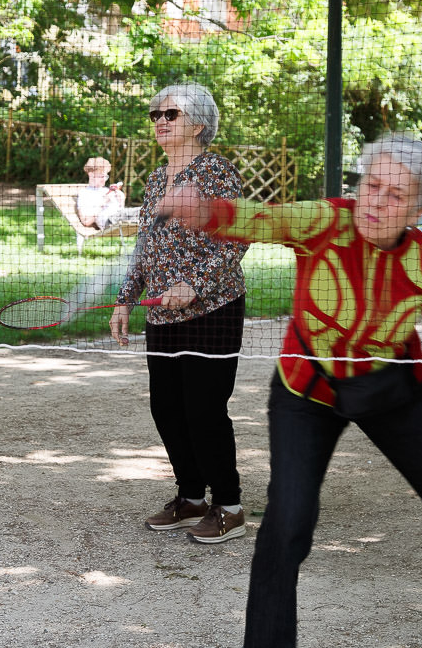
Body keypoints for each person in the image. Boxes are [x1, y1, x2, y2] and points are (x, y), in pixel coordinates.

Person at [158, 134, 422, 647]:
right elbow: (264, 218)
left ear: (419, 208)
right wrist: (208, 210)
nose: (377, 201)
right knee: (287, 525)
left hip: (399, 392)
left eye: (396, 195)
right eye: (372, 185)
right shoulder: (324, 222)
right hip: (306, 394)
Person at [110, 83, 249, 544]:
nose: (160, 122)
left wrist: (195, 285)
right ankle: (191, 497)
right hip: (162, 317)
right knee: (166, 408)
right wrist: (126, 297)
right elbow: (145, 246)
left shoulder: (217, 172)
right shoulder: (154, 180)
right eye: (155, 115)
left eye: (170, 113)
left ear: (199, 123)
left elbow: (238, 238)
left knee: (205, 409)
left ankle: (229, 505)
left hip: (214, 309)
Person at [76, 156, 139, 229]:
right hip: (109, 221)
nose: (104, 179)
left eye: (105, 176)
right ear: (91, 174)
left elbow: (121, 210)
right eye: (101, 176)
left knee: (147, 212)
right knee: (145, 212)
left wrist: (121, 199)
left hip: (120, 217)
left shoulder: (107, 190)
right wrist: (103, 203)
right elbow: (86, 222)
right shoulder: (85, 194)